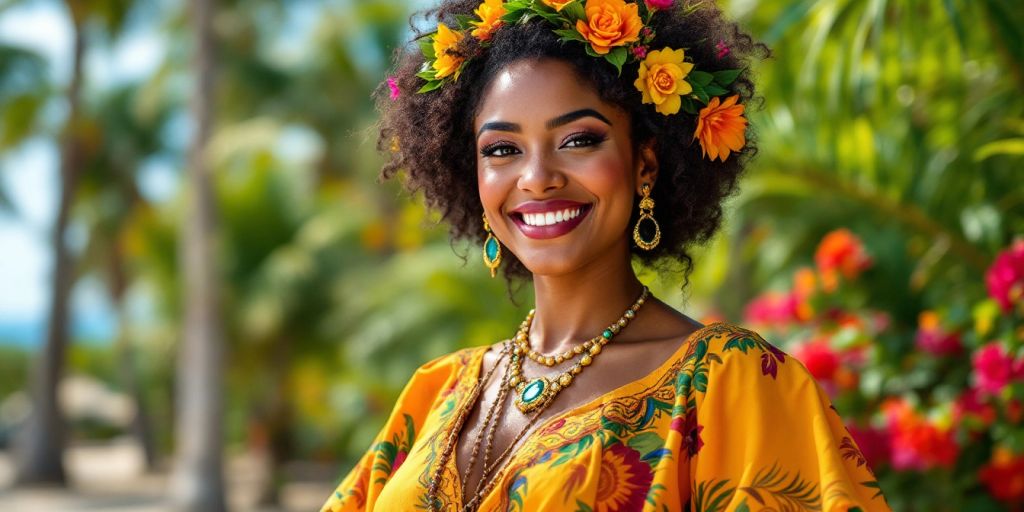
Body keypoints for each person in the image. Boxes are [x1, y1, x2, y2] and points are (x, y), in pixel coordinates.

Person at [321, 0, 891, 510]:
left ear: (645, 161)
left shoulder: (730, 384)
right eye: (502, 149)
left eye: (579, 140)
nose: (537, 178)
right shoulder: (438, 389)